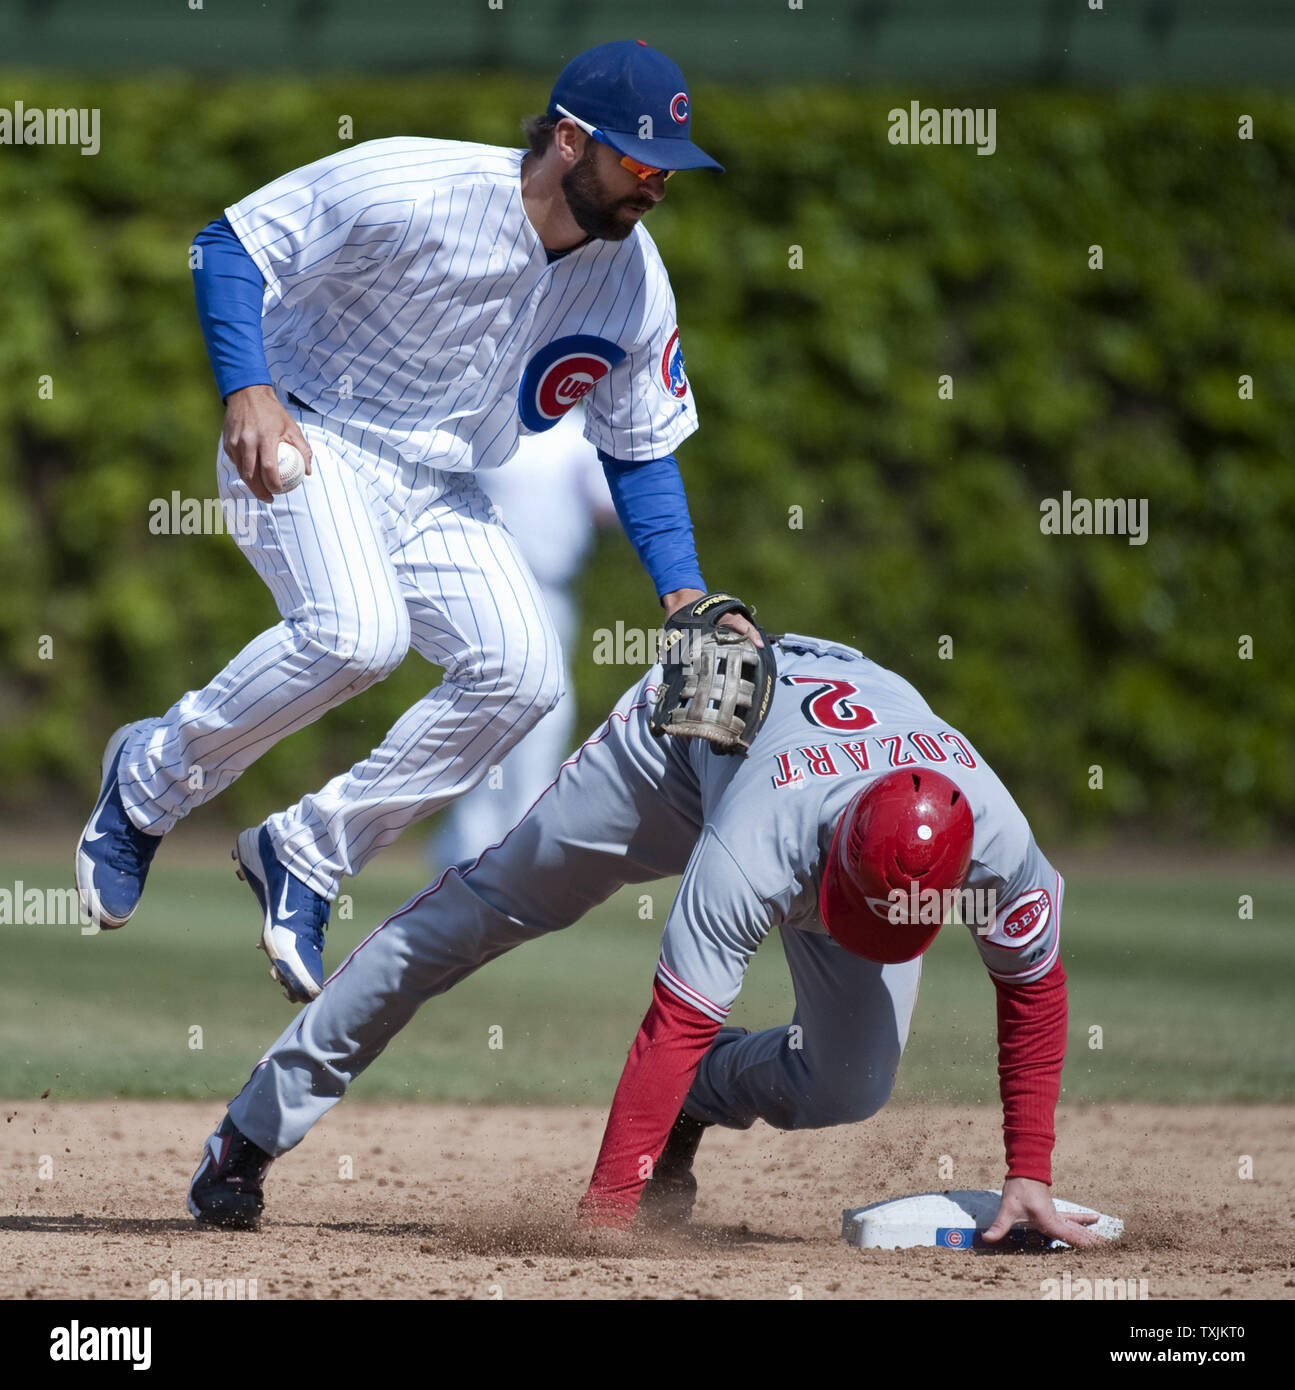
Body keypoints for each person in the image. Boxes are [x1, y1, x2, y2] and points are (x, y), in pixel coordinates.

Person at [74, 39, 758, 1003]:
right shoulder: (414, 180)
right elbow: (230, 243)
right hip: (306, 432)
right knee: (359, 635)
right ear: (569, 141)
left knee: (522, 676)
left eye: (670, 170)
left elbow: (639, 446)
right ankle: (147, 781)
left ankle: (306, 852)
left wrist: (683, 593)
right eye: (641, 162)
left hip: (443, 487)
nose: (657, 186)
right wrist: (247, 389)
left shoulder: (633, 285)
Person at [185, 632, 1101, 1249]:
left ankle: (700, 1103)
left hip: (824, 743)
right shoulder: (757, 848)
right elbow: (675, 1021)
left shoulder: (994, 838)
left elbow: (1033, 989)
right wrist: (604, 1221)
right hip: (681, 741)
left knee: (849, 1084)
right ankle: (250, 1136)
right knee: (483, 907)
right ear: (827, 863)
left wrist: (1029, 1173)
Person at [431, 406, 614, 868]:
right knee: (523, 708)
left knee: (508, 711)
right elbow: (610, 506)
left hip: (541, 589)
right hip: (494, 582)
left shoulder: (549, 433)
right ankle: (500, 850)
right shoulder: (512, 427)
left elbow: (606, 504)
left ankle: (486, 851)